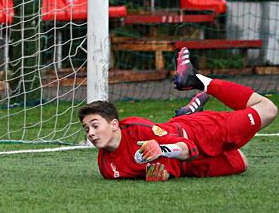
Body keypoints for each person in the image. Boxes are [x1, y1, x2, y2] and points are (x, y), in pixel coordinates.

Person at [78, 49, 277, 181]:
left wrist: (161, 150)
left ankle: (198, 81)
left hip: (199, 133)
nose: (90, 133)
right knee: (243, 163)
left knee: (268, 109)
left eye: (95, 125)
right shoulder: (107, 168)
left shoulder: (136, 129)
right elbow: (152, 171)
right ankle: (187, 114)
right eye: (86, 129)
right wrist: (160, 175)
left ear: (114, 124)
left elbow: (188, 147)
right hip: (190, 168)